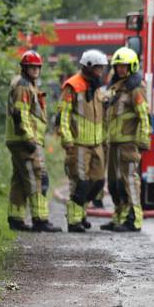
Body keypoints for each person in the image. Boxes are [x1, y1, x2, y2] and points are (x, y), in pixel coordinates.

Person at [6, 49, 56, 232]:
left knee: (20, 179)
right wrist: (29, 137)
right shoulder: (23, 86)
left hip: (19, 139)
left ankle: (16, 218)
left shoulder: (27, 84)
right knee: (37, 177)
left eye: (37, 67)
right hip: (24, 140)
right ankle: (40, 219)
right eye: (31, 67)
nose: (35, 70)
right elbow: (20, 114)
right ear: (24, 68)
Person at [102, 47, 151, 232]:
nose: (120, 70)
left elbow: (144, 116)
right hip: (114, 144)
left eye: (124, 66)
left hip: (128, 144)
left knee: (129, 181)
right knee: (115, 183)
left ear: (132, 66)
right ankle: (119, 217)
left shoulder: (135, 88)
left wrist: (143, 141)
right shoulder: (115, 87)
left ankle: (135, 219)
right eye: (118, 66)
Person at [59, 49, 109, 233]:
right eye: (98, 68)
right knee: (80, 182)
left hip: (97, 143)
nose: (101, 72)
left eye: (102, 68)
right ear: (88, 67)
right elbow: (63, 115)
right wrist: (67, 139)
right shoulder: (72, 85)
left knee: (97, 182)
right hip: (78, 143)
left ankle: (81, 213)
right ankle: (74, 220)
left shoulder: (96, 86)